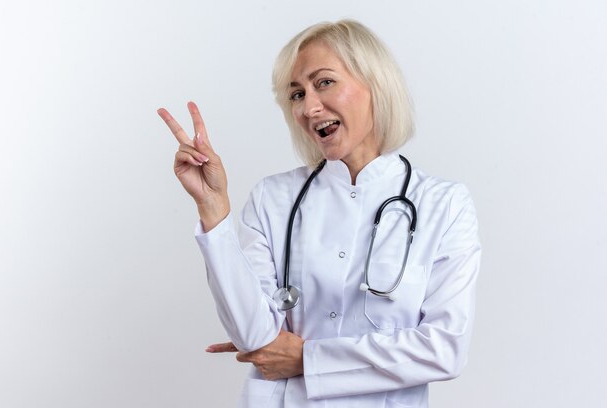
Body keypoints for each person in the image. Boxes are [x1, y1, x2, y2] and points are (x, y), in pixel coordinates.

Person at [158, 19, 481, 408]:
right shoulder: (273, 198)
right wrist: (213, 210)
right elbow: (253, 336)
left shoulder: (444, 205)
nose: (309, 107)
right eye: (296, 94)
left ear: (375, 84)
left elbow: (443, 350)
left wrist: (307, 360)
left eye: (324, 82)